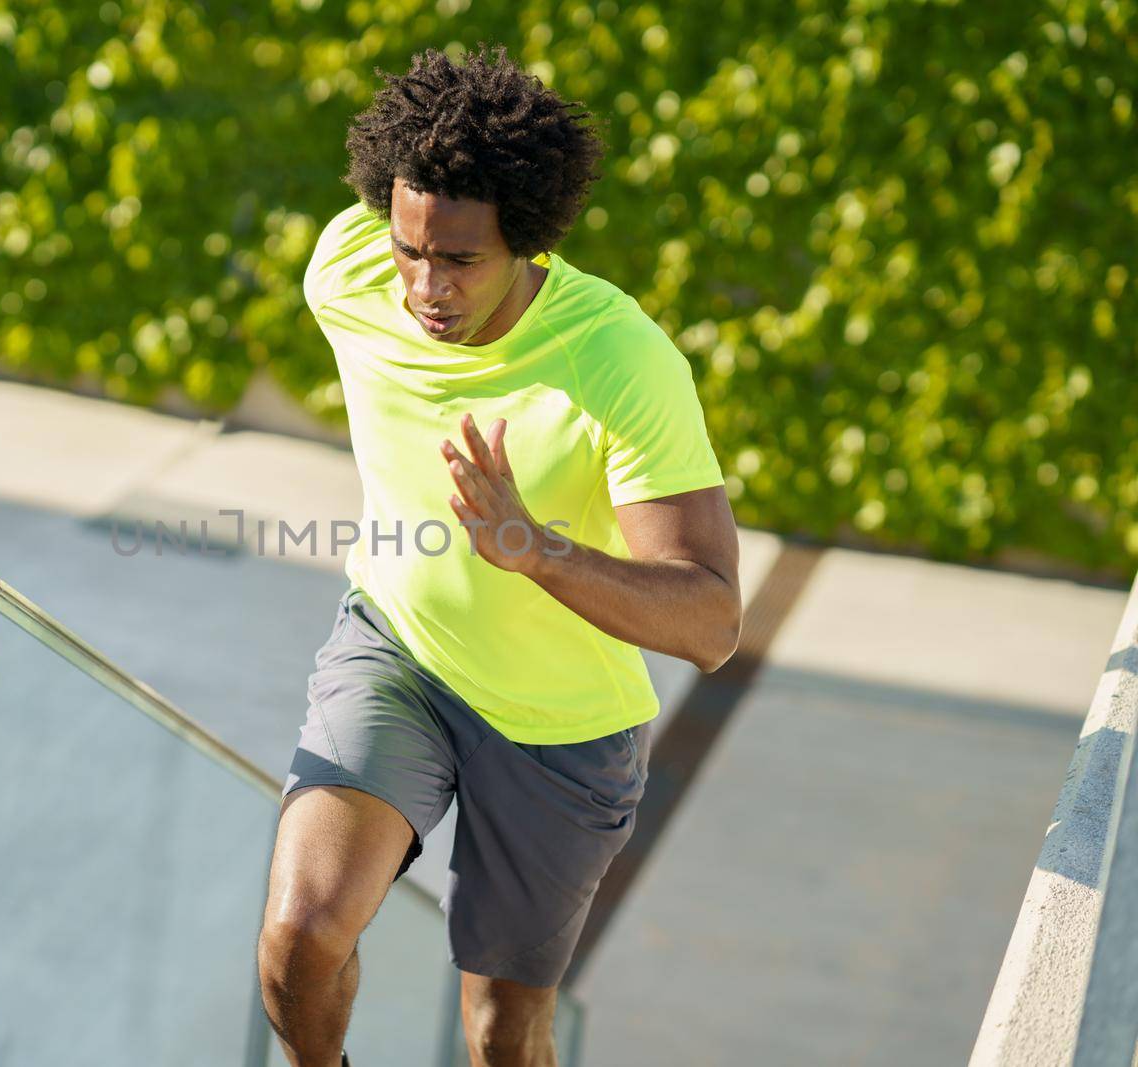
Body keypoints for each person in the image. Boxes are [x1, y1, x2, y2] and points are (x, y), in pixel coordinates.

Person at [257, 44, 741, 1066]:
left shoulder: (617, 360)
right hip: (398, 653)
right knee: (300, 936)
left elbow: (710, 621)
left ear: (525, 240)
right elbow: (379, 268)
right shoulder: (345, 268)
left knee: (499, 1029)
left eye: (460, 260)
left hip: (565, 730)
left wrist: (536, 550)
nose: (424, 286)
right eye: (409, 249)